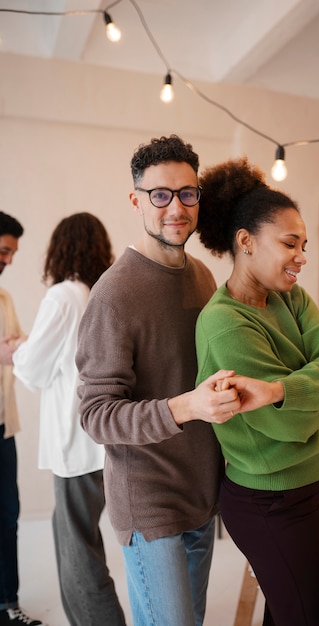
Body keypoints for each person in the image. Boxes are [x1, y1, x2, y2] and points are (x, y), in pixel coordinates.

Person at [75, 135, 250, 626]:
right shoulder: (113, 295)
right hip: (150, 503)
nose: (176, 207)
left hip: (201, 493)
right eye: (160, 195)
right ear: (136, 201)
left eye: (187, 193)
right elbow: (95, 414)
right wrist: (187, 407)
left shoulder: (202, 277)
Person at [194, 157, 319, 626]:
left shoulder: (291, 297)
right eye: (290, 243)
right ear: (245, 241)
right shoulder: (225, 322)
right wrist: (310, 395)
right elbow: (292, 424)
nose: (302, 256)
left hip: (309, 490)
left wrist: (279, 388)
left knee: (296, 612)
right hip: (270, 502)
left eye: (304, 244)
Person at [12, 213, 126, 626]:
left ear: (60, 248)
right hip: (101, 439)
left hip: (74, 443)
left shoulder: (62, 295)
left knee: (78, 550)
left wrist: (14, 352)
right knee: (76, 538)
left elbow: (34, 370)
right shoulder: (98, 292)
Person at [0, 212, 44, 626]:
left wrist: (17, 348)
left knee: (8, 514)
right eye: (3, 251)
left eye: (11, 253)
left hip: (3, 428)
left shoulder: (5, 299)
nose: (9, 260)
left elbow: (20, 347)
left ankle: (7, 604)